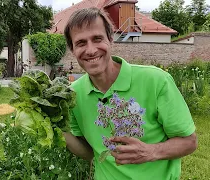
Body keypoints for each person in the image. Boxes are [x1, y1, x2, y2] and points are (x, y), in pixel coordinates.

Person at [62, 7, 197, 180]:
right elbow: (90, 152)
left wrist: (150, 151)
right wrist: (55, 127)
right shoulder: (73, 95)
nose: (90, 50)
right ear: (73, 50)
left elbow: (189, 142)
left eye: (97, 39)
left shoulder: (155, 80)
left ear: (111, 40)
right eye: (81, 43)